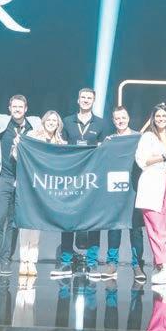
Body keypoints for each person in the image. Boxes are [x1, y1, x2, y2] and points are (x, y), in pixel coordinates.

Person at [51, 88, 110, 278]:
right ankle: (66, 262)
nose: (85, 100)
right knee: (68, 219)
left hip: (92, 179)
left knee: (93, 221)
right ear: (78, 100)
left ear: (93, 101)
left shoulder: (101, 123)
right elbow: (61, 148)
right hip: (72, 178)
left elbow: (105, 151)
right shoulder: (67, 121)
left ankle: (92, 263)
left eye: (89, 98)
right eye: (83, 97)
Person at [0, 95, 42, 276]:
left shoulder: (34, 125)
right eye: (14, 106)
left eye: (20, 107)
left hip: (23, 180)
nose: (17, 109)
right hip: (3, 177)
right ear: (9, 108)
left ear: (26, 109)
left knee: (14, 222)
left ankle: (6, 259)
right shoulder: (1, 121)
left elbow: (51, 131)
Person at [13, 110, 67, 277]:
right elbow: (17, 156)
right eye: (49, 120)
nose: (51, 123)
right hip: (28, 185)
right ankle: (23, 261)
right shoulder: (32, 137)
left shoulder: (61, 143)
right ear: (43, 122)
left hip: (45, 188)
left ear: (58, 124)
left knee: (37, 225)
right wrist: (18, 145)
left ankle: (32, 261)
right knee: (26, 223)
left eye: (54, 121)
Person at [134, 103, 166, 285]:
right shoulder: (147, 136)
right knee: (156, 228)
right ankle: (165, 266)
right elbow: (142, 160)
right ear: (153, 119)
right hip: (152, 183)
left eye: (164, 116)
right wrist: (165, 155)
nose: (161, 119)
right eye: (158, 116)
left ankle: (159, 265)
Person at [100, 106, 147, 282]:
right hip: (115, 189)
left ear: (128, 118)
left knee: (136, 229)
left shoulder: (139, 138)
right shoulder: (110, 140)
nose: (121, 121)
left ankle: (137, 265)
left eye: (123, 117)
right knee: (114, 227)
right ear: (113, 121)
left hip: (134, 189)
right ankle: (112, 264)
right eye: (117, 118)